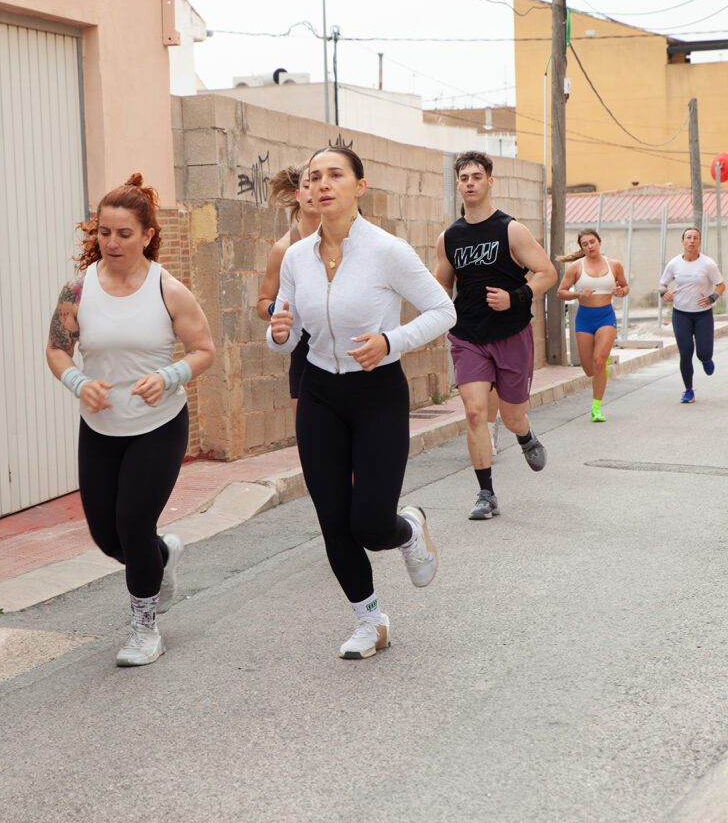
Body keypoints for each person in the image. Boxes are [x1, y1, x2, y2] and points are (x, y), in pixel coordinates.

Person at [268, 146, 455, 660]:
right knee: (333, 519)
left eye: (336, 175)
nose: (323, 184)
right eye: (315, 176)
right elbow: (288, 337)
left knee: (370, 525)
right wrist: (279, 334)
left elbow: (444, 311)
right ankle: (370, 621)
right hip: (319, 394)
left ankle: (408, 529)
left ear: (359, 186)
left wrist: (390, 342)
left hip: (377, 393)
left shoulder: (387, 250)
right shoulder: (296, 258)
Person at [46, 173, 215, 667]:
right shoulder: (77, 291)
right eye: (104, 232)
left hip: (158, 425)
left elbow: (204, 350)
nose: (112, 242)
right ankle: (162, 557)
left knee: (134, 523)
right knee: (108, 536)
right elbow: (57, 350)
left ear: (147, 235)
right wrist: (78, 382)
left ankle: (144, 627)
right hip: (100, 428)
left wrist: (169, 375)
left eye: (124, 233)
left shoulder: (168, 290)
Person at [434, 150, 557, 521]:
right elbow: (441, 286)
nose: (470, 183)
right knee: (474, 413)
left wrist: (514, 297)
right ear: (458, 184)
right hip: (468, 336)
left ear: (489, 181)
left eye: (476, 177)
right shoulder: (449, 238)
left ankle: (524, 435)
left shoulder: (511, 230)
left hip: (511, 333)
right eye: (464, 178)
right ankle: (486, 493)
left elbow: (547, 273)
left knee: (513, 415)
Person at [256, 164, 320, 414]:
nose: (312, 192)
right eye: (306, 186)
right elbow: (262, 303)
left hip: (347, 351)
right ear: (297, 195)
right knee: (309, 436)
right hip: (304, 353)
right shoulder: (285, 248)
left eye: (317, 184)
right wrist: (279, 310)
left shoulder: (348, 239)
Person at [556, 228, 629, 421]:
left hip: (606, 317)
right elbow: (560, 292)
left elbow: (625, 286)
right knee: (589, 370)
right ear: (582, 248)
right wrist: (579, 293)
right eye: (585, 244)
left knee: (598, 361)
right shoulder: (576, 267)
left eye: (592, 242)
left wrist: (621, 292)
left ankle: (596, 408)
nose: (590, 246)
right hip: (584, 319)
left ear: (599, 242)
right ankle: (600, 365)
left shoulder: (614, 265)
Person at [660, 227, 725, 403]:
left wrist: (712, 297)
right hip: (681, 314)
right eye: (688, 237)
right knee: (686, 351)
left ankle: (706, 359)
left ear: (699, 242)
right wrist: (664, 294)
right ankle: (688, 390)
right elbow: (662, 284)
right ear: (682, 242)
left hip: (703, 315)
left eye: (695, 238)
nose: (692, 241)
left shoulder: (708, 264)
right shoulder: (674, 263)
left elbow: (721, 285)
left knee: (703, 353)